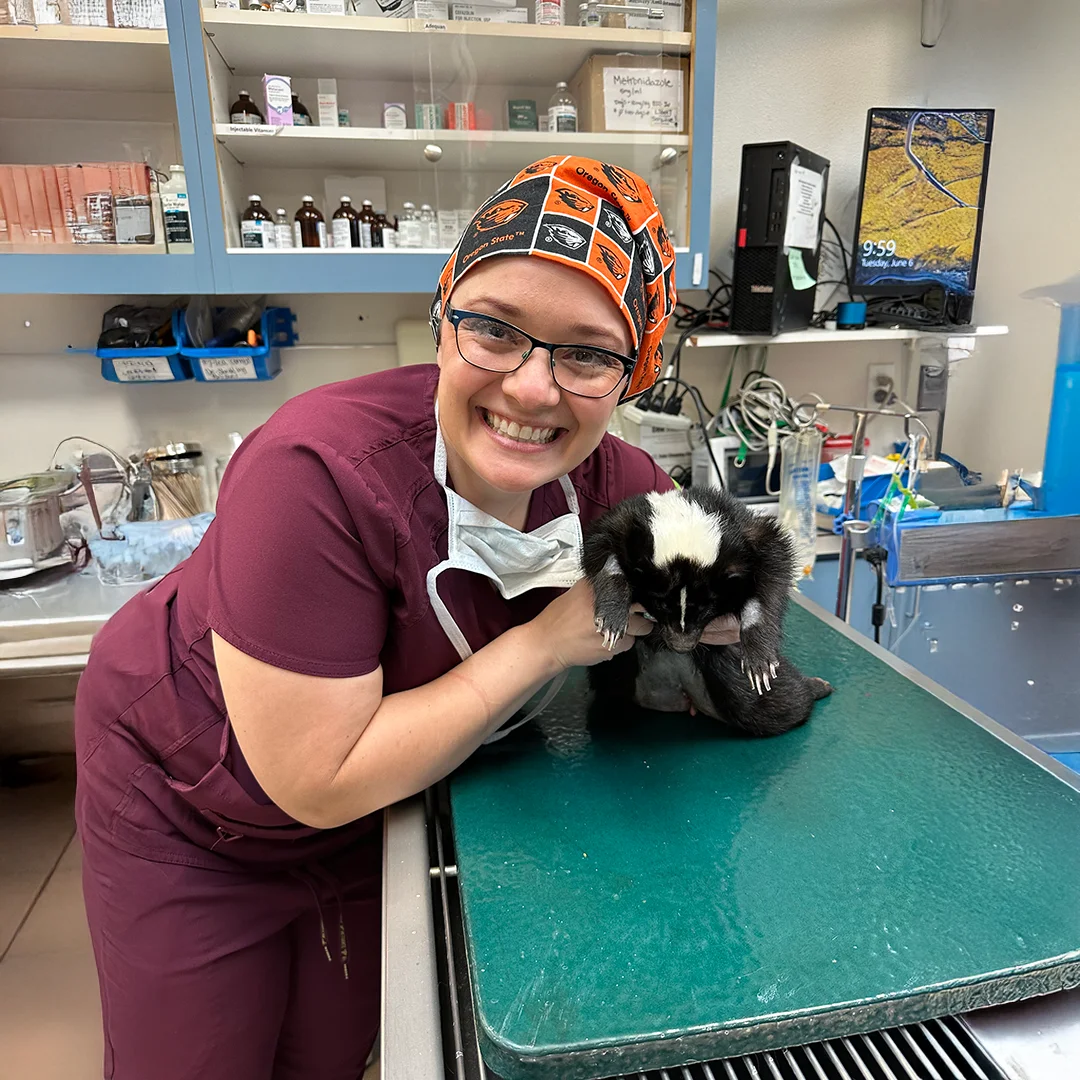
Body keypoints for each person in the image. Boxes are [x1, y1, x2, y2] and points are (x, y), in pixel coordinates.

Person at [74, 156, 734, 1080]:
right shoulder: (313, 472)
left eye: (586, 352)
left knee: (332, 1052)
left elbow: (721, 592)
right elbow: (320, 773)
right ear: (443, 321)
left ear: (635, 374)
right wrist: (546, 642)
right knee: (194, 1060)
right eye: (495, 330)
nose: (534, 388)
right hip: (190, 795)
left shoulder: (623, 489)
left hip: (382, 805)